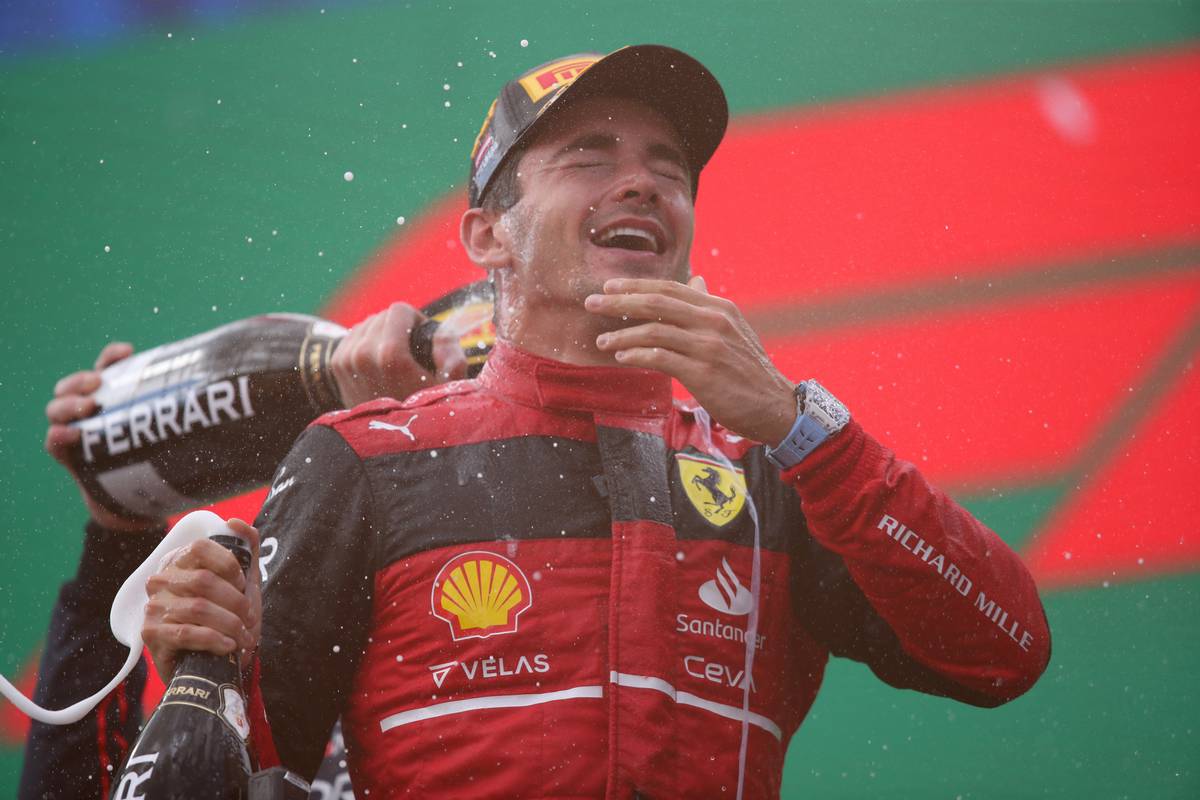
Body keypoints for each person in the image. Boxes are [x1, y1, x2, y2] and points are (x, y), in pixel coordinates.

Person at [120, 44, 1051, 798]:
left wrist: (801, 425)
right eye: (589, 157)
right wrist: (206, 675)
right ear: (489, 235)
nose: (643, 184)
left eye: (668, 169)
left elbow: (1004, 655)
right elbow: (253, 772)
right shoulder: (365, 458)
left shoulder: (773, 476)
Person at [19, 308, 464, 799]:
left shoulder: (482, 666)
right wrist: (119, 536)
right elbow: (67, 791)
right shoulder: (267, 677)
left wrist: (411, 447)